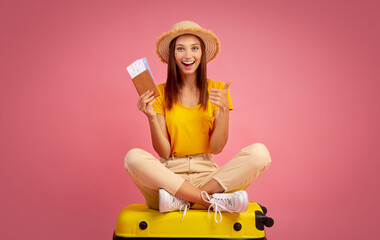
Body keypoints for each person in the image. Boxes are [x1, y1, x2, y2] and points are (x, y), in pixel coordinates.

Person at [124, 21, 271, 222]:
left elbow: (217, 148)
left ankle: (183, 201)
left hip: (208, 175)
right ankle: (211, 202)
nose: (188, 55)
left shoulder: (218, 90)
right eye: (180, 49)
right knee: (133, 158)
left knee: (260, 153)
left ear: (202, 54)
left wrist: (224, 111)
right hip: (169, 178)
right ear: (173, 54)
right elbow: (164, 152)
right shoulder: (159, 93)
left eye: (194, 48)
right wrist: (151, 117)